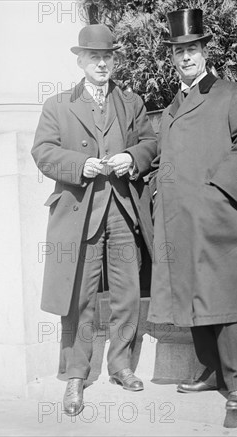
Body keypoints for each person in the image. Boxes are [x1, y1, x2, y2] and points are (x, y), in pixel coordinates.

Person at [147, 8, 237, 411]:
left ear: (205, 52)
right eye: (179, 51)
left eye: (193, 49)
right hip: (180, 218)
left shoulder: (234, 94)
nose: (186, 57)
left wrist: (220, 189)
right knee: (193, 293)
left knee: (227, 293)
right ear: (172, 58)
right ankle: (211, 368)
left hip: (218, 210)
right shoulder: (170, 108)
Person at [32, 24, 157, 415]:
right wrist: (80, 164)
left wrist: (133, 158)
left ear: (113, 60)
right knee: (79, 296)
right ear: (80, 61)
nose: (101, 63)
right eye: (93, 57)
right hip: (80, 212)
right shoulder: (58, 105)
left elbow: (151, 143)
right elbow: (43, 152)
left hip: (122, 209)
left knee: (127, 292)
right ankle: (76, 375)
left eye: (107, 57)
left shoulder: (130, 102)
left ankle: (121, 365)